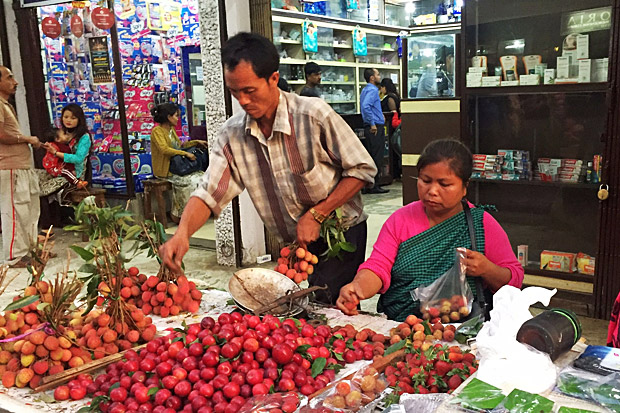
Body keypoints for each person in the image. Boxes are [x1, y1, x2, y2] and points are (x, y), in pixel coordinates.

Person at [160, 32, 377, 304]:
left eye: (250, 90)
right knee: (297, 310)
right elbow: (209, 192)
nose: (243, 101)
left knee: (329, 308)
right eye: (234, 92)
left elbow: (362, 168)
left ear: (273, 78)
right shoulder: (232, 135)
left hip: (342, 233)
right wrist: (182, 234)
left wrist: (318, 214)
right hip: (295, 245)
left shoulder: (313, 115)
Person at [336, 139, 524, 321]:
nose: (432, 191)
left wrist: (486, 269)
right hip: (402, 326)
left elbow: (514, 279)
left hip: (460, 331)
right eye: (425, 180)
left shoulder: (481, 224)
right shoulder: (400, 220)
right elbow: (378, 266)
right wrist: (358, 288)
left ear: (465, 187)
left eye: (444, 184)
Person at [0, 66, 41, 268]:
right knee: (14, 212)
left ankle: (28, 252)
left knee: (27, 211)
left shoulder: (6, 105)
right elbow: (1, 136)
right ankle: (15, 256)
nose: (14, 82)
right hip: (10, 167)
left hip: (21, 167)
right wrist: (26, 139)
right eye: (9, 78)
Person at [150, 102, 208, 222]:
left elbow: (179, 146)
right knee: (191, 182)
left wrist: (196, 142)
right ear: (168, 117)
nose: (178, 118)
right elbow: (165, 149)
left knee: (202, 177)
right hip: (166, 170)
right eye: (176, 116)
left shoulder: (171, 130)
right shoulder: (157, 132)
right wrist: (185, 153)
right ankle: (180, 215)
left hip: (176, 167)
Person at [39, 103, 93, 196]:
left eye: (73, 118)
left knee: (49, 189)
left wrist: (56, 153)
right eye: (66, 117)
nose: (68, 120)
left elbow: (78, 158)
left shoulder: (84, 137)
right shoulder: (61, 133)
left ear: (79, 120)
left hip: (75, 173)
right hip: (59, 168)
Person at [360, 68, 388, 194]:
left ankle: (368, 184)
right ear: (372, 77)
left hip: (371, 124)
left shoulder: (365, 89)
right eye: (377, 74)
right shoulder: (372, 90)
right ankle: (374, 184)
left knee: (371, 155)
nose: (379, 76)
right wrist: (373, 123)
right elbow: (366, 106)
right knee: (377, 155)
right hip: (375, 126)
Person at [380, 78, 401, 180]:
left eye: (382, 87)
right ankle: (397, 172)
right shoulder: (396, 96)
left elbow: (393, 112)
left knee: (391, 151)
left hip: (391, 126)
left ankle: (394, 172)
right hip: (397, 127)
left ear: (385, 87)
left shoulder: (389, 98)